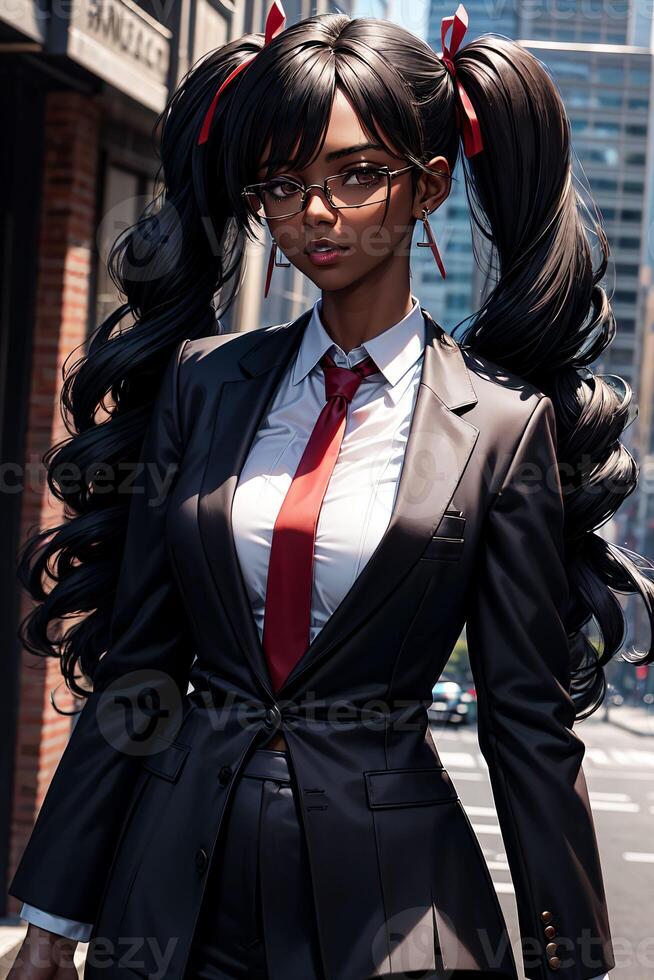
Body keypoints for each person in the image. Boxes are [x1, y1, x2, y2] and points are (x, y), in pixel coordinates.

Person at [7, 2, 649, 978]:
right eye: (284, 181)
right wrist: (53, 910)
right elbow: (138, 671)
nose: (316, 211)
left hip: (396, 907)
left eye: (356, 175)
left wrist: (575, 954)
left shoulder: (503, 424)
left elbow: (523, 719)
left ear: (429, 185)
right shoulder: (201, 383)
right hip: (174, 898)